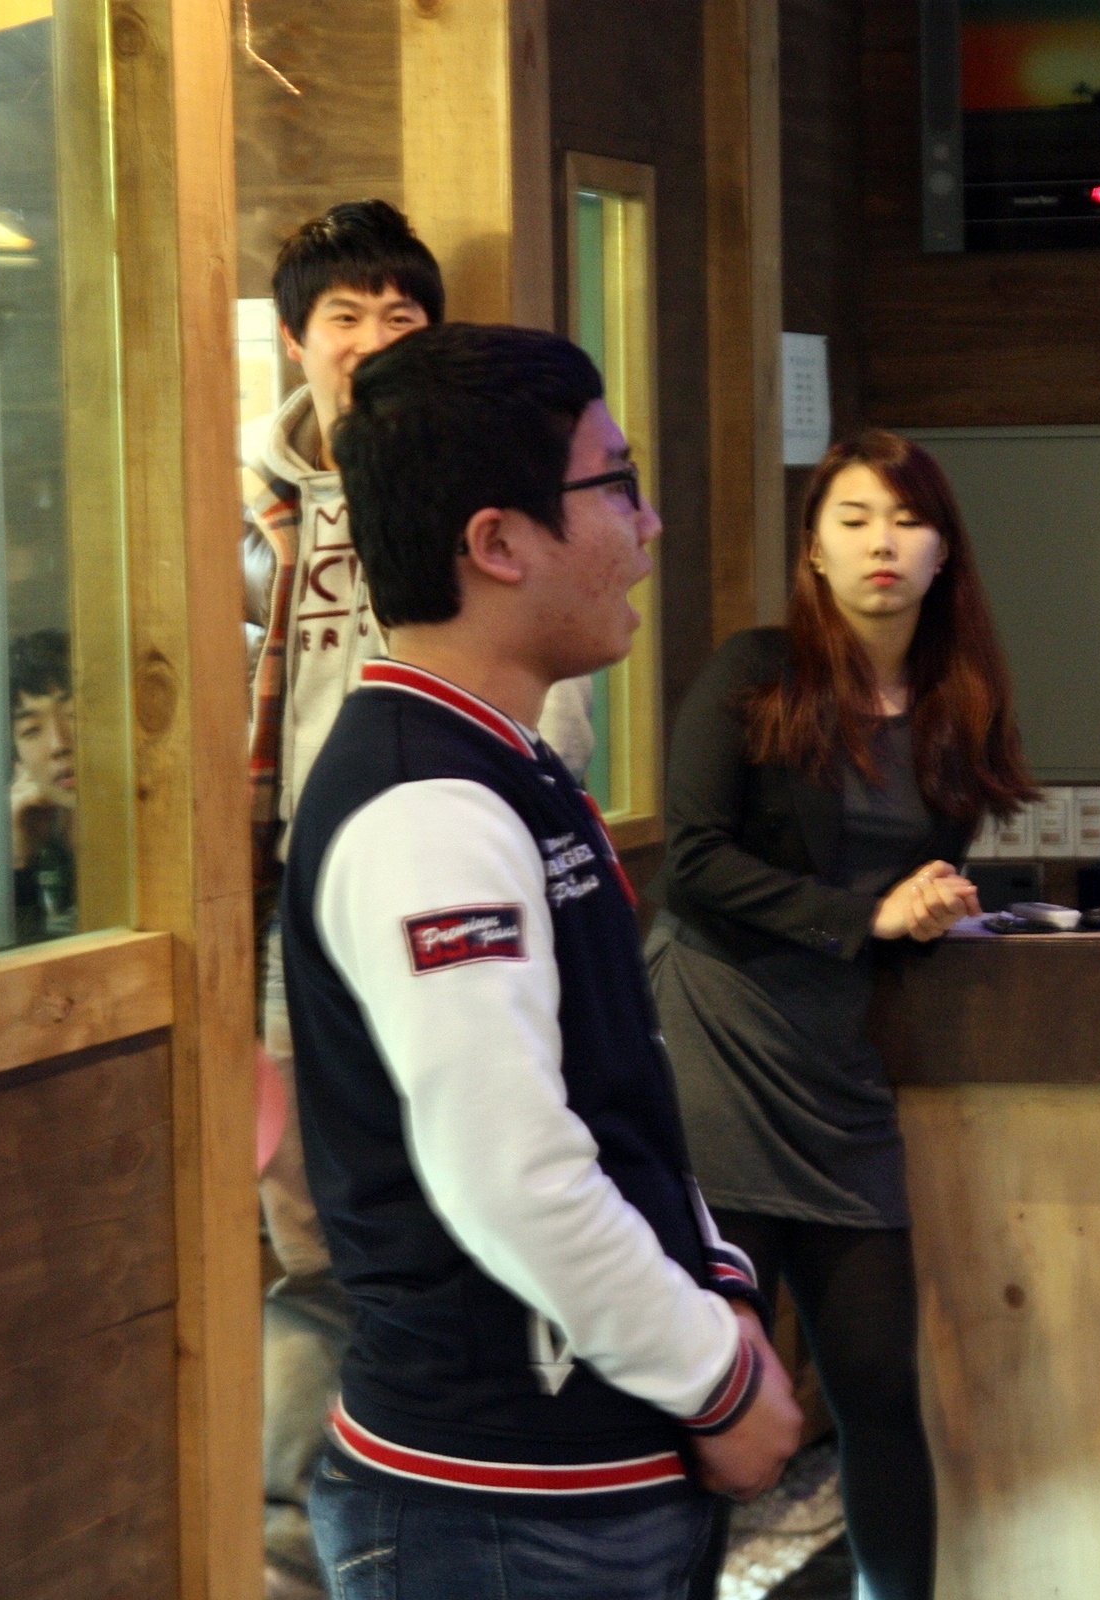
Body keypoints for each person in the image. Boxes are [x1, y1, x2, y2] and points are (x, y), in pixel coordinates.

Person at [284, 321, 801, 1600]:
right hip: (497, 1510)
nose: (648, 523)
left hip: (578, 1481)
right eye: (615, 485)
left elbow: (616, 1093)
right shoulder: (427, 806)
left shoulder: (508, 760)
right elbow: (513, 1173)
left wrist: (717, 1293)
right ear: (498, 542)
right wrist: (718, 1375)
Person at [241, 200, 598, 1599]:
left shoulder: (472, 498)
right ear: (295, 341)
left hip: (454, 894)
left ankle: (450, 1516)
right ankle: (291, 1556)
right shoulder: (249, 511)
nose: (376, 337)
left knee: (470, 1199)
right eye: (347, 315)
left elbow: (548, 707)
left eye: (404, 314)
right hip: (291, 925)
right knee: (314, 1250)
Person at [648, 430, 1038, 1600]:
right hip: (716, 1038)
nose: (883, 543)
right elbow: (693, 862)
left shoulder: (959, 703)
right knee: (713, 1386)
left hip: (837, 1061)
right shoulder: (756, 671)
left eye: (908, 521)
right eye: (855, 519)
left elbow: (908, 888)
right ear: (814, 548)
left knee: (878, 1386)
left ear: (943, 552)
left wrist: (928, 908)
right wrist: (867, 915)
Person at [8, 629, 77, 942]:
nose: (59, 744)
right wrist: (20, 860)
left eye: (74, 714)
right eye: (32, 729)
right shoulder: (46, 852)